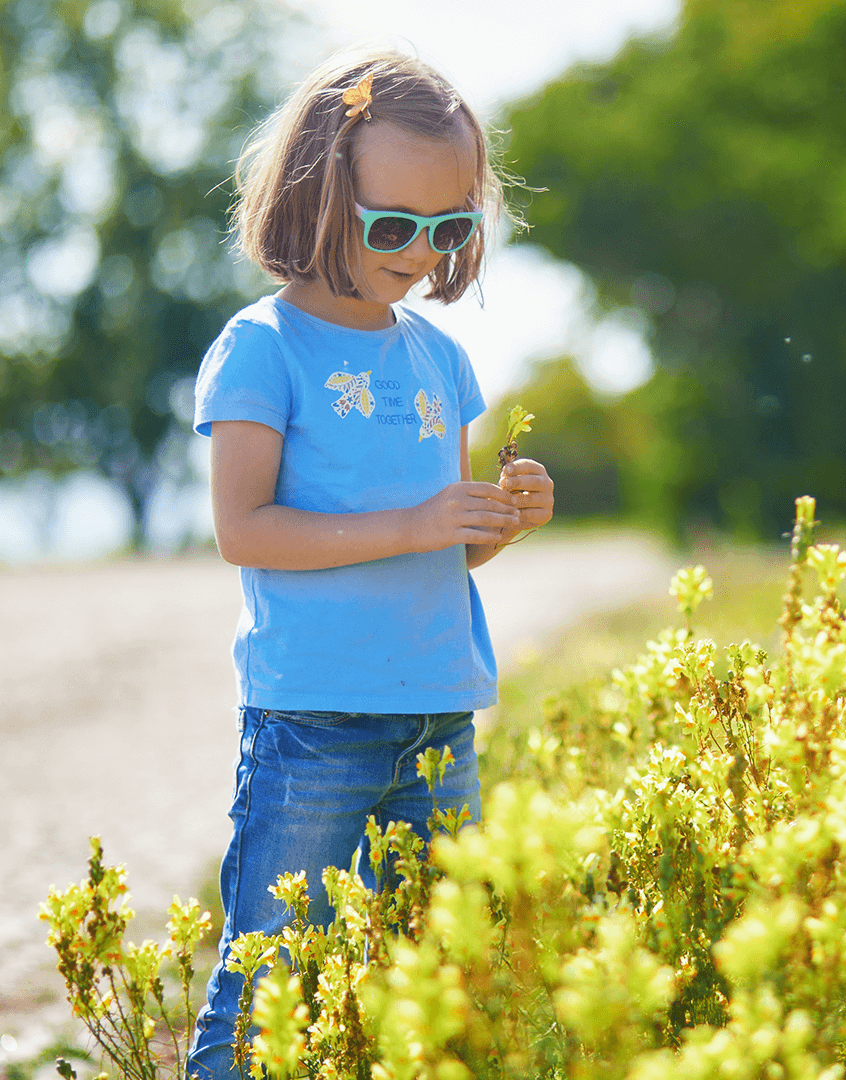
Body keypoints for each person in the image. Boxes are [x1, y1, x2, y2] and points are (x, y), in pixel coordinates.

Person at [186, 47, 554, 1078]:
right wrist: (417, 520)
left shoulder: (441, 360)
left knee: (437, 979)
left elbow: (449, 552)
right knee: (266, 984)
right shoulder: (265, 348)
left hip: (439, 713)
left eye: (448, 230)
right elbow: (245, 530)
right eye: (393, 226)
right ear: (316, 192)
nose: (419, 253)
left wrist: (501, 522)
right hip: (311, 722)